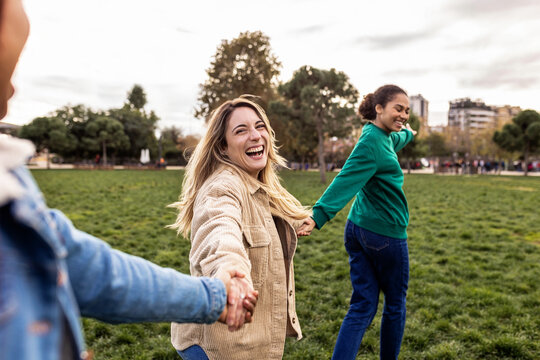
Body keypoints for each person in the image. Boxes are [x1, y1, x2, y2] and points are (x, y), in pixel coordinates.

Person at [0, 0, 257, 359]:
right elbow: (221, 226)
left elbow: (90, 270)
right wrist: (229, 278)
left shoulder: (10, 183)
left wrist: (214, 297)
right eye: (8, 70)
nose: (11, 93)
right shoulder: (221, 186)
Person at [169, 95, 311, 359]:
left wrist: (302, 219)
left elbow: (264, 215)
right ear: (223, 148)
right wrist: (229, 269)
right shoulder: (221, 188)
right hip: (214, 345)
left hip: (247, 341)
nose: (256, 136)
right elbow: (219, 229)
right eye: (241, 130)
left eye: (260, 126)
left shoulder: (256, 184)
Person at [297, 84, 417, 360]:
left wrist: (409, 133)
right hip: (385, 236)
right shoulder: (371, 144)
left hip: (358, 230)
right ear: (379, 108)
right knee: (395, 304)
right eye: (398, 109)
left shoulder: (380, 135)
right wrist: (318, 215)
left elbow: (397, 140)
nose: (403, 115)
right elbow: (346, 179)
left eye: (407, 111)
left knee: (362, 305)